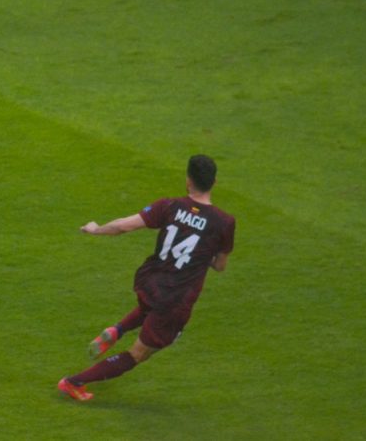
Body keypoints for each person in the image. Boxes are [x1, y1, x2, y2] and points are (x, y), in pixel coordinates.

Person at [58, 154, 236, 401]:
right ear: (214, 182)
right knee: (138, 354)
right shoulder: (225, 222)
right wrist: (203, 253)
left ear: (188, 180)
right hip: (176, 299)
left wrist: (96, 229)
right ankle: (74, 382)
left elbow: (124, 226)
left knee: (151, 307)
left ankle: (117, 330)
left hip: (150, 281)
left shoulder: (169, 205)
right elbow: (220, 266)